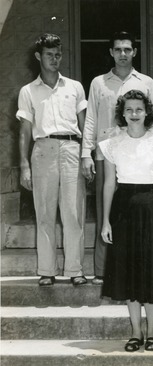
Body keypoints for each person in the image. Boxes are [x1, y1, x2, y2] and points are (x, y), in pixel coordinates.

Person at [100, 90, 153, 352]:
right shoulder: (112, 144)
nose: (134, 114)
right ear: (122, 113)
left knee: (151, 270)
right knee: (129, 272)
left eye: (139, 109)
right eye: (129, 109)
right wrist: (106, 222)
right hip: (124, 209)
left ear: (148, 113)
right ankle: (136, 332)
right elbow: (109, 184)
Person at [82, 31, 153, 285]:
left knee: (131, 209)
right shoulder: (98, 83)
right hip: (106, 152)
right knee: (105, 207)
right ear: (111, 53)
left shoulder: (146, 82)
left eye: (128, 49)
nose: (123, 54)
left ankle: (130, 267)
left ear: (134, 52)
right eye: (118, 50)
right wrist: (87, 154)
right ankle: (103, 270)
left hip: (136, 155)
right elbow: (91, 118)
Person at [17, 33, 88, 286]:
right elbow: (25, 130)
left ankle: (75, 270)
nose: (55, 59)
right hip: (43, 149)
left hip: (71, 147)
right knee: (45, 213)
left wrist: (86, 154)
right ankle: (47, 270)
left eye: (58, 54)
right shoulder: (28, 91)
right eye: (49, 55)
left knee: (73, 212)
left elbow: (85, 125)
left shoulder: (75, 87)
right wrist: (24, 165)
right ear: (39, 56)